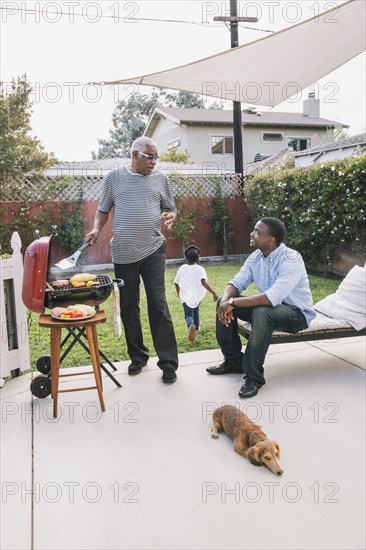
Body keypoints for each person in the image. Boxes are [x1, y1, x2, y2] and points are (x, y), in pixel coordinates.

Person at [85, 136, 179, 384]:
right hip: (124, 252)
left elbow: (171, 207)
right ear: (135, 154)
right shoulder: (114, 178)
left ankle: (168, 362)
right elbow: (103, 209)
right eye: (150, 156)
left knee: (158, 304)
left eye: (156, 158)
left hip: (153, 249)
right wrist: (96, 229)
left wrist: (170, 216)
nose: (154, 162)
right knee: (128, 306)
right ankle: (138, 356)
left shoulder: (161, 179)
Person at [206, 217, 316, 398]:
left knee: (262, 312)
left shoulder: (291, 259)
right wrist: (225, 300)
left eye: (257, 231)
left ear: (271, 240)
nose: (251, 233)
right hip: (271, 309)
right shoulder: (256, 256)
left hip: (296, 314)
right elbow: (238, 281)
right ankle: (233, 361)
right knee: (222, 303)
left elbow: (272, 298)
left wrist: (232, 303)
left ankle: (254, 377)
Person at [174, 245, 218, 341]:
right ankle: (196, 327)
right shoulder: (200, 269)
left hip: (185, 296)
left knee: (188, 315)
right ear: (198, 257)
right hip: (197, 296)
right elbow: (203, 282)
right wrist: (213, 292)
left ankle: (191, 326)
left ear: (186, 258)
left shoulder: (182, 268)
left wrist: (178, 292)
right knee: (196, 311)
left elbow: (176, 282)